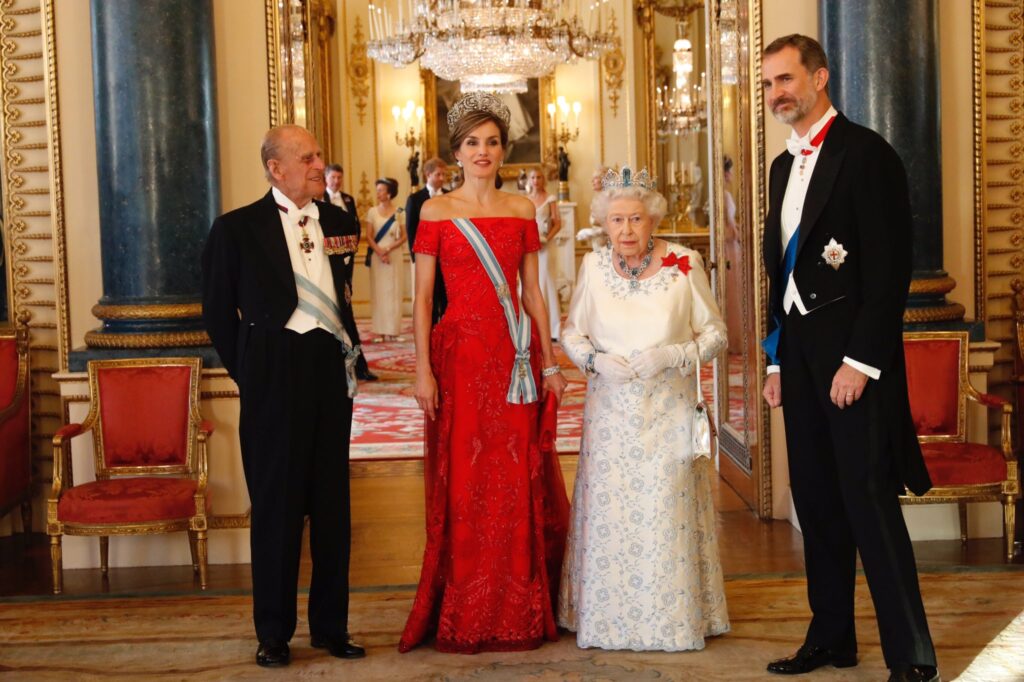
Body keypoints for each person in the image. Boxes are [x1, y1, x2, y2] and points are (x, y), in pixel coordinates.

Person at [759, 35, 937, 682]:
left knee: (868, 504)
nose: (778, 92)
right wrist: (777, 360)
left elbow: (890, 270)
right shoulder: (781, 166)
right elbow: (779, 272)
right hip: (801, 361)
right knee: (816, 501)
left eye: (786, 78)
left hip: (851, 363)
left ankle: (912, 658)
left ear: (820, 77)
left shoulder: (869, 154)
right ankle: (831, 637)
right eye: (769, 83)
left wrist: (860, 363)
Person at [399, 91, 569, 654]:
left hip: (514, 358)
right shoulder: (435, 211)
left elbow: (533, 295)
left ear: (504, 150)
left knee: (515, 477)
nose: (484, 151)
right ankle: (467, 605)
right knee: (468, 484)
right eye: (473, 143)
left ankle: (516, 609)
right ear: (456, 152)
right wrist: (422, 372)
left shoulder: (521, 211)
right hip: (460, 359)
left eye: (493, 142)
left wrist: (549, 362)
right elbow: (423, 301)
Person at [201, 125, 365, 668]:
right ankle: (273, 632)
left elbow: (341, 299)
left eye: (318, 154)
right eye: (308, 156)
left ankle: (331, 628)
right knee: (276, 509)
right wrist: (251, 370)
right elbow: (218, 314)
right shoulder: (236, 229)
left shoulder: (342, 222)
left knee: (332, 507)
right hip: (271, 375)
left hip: (327, 374)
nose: (320, 163)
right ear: (277, 167)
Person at [558, 166, 730, 651]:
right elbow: (571, 333)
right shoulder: (593, 268)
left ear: (653, 219)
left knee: (663, 512)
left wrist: (673, 355)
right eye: (616, 221)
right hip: (610, 413)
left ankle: (671, 622)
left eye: (635, 219)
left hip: (668, 410)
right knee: (613, 515)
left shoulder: (684, 263)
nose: (627, 231)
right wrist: (593, 360)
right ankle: (608, 622)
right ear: (604, 224)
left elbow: (716, 334)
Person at [324, 163, 378, 381]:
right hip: (328, 266)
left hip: (347, 265)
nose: (336, 181)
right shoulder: (319, 201)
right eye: (333, 177)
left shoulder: (348, 200)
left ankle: (358, 367)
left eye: (339, 177)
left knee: (347, 314)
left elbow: (354, 229)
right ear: (327, 178)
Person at [406, 157, 449, 323]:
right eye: (438, 174)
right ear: (428, 174)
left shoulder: (450, 197)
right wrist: (415, 258)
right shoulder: (415, 199)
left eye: (444, 175)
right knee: (428, 298)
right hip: (425, 258)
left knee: (445, 297)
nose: (442, 178)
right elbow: (411, 229)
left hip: (447, 257)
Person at [364, 177, 406, 342]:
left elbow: (404, 236)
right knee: (379, 292)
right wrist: (380, 251)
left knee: (394, 291)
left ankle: (393, 331)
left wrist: (388, 249)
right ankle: (380, 331)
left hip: (394, 255)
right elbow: (368, 236)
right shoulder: (372, 212)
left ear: (389, 193)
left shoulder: (400, 212)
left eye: (381, 190)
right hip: (377, 256)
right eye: (378, 190)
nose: (378, 193)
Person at [526, 167, 562, 340]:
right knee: (531, 281)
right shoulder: (526, 200)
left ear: (543, 180)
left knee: (546, 279)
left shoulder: (551, 199)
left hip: (545, 245)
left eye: (539, 177)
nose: (536, 180)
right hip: (529, 246)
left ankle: (553, 328)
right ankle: (532, 326)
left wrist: (546, 238)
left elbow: (557, 223)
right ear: (529, 180)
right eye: (533, 177)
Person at [722, 156, 744, 350]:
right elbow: (728, 228)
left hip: (729, 244)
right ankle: (734, 339)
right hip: (729, 246)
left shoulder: (719, 194)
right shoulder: (725, 195)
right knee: (731, 288)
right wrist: (738, 233)